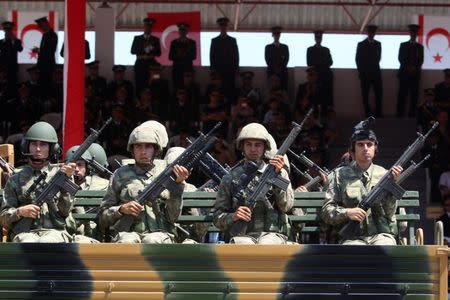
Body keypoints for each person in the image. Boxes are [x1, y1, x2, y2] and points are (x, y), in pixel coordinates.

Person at [99, 122, 189, 243]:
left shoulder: (168, 174)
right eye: (138, 146)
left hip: (161, 234)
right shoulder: (120, 174)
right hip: (128, 233)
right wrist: (121, 209)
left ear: (156, 150)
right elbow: (102, 217)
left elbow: (172, 217)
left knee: (151, 240)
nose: (143, 151)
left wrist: (177, 187)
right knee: (126, 241)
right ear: (132, 150)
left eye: (148, 146)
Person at [321, 118, 403, 245]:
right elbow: (327, 212)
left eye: (369, 144)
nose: (365, 148)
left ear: (375, 149)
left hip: (380, 235)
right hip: (352, 238)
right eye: (360, 144)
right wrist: (347, 213)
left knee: (384, 248)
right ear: (351, 151)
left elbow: (390, 212)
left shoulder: (386, 175)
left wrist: (392, 185)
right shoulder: (338, 176)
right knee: (355, 252)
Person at [213, 123, 294, 244]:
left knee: (266, 244)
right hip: (243, 236)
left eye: (258, 145)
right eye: (248, 144)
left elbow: (286, 206)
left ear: (264, 148)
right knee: (243, 245)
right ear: (242, 147)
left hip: (272, 235)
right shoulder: (230, 177)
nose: (253, 149)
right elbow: (217, 218)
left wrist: (278, 175)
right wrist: (234, 216)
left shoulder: (278, 172)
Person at [0, 121, 76, 242]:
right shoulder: (16, 177)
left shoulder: (62, 173)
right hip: (25, 233)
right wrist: (19, 212)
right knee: (27, 242)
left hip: (56, 232)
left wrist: (65, 181)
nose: (38, 149)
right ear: (27, 146)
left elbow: (65, 211)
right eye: (34, 144)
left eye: (43, 145)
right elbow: (3, 217)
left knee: (48, 242)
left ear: (52, 148)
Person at [396, 24, 424, 117]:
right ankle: (399, 116)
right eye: (412, 32)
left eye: (415, 32)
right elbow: (400, 58)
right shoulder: (403, 45)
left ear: (416, 34)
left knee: (414, 97)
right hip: (404, 74)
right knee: (402, 96)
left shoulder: (420, 47)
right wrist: (408, 67)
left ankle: (411, 117)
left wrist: (414, 68)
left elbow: (421, 60)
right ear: (410, 33)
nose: (413, 34)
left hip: (415, 75)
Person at [356, 25, 383, 117]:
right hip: (365, 74)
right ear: (367, 33)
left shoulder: (378, 44)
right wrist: (361, 72)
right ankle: (368, 114)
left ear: (375, 33)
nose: (371, 34)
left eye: (373, 32)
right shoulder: (361, 44)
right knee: (365, 95)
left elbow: (378, 58)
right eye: (370, 32)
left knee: (379, 94)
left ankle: (378, 114)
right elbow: (358, 60)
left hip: (376, 73)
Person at [210, 17, 239, 99]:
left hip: (230, 70)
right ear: (219, 27)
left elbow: (236, 55)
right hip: (218, 70)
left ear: (227, 27)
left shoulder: (232, 40)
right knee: (218, 91)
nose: (223, 27)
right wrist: (212, 69)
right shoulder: (214, 41)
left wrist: (236, 68)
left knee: (230, 91)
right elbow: (212, 55)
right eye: (221, 25)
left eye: (224, 25)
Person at [131, 17, 161, 96]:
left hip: (152, 65)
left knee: (155, 83)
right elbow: (132, 51)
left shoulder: (156, 39)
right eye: (147, 26)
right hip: (140, 64)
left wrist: (151, 49)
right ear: (144, 27)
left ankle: (154, 102)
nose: (148, 28)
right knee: (139, 84)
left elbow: (159, 53)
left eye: (150, 26)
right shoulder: (137, 38)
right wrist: (144, 49)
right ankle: (139, 104)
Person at [306, 30, 333, 111]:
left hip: (325, 76)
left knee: (326, 97)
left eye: (320, 37)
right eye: (317, 37)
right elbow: (309, 62)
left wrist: (318, 63)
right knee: (315, 98)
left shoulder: (326, 49)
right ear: (315, 38)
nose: (318, 39)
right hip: (315, 77)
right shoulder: (310, 49)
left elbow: (330, 62)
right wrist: (322, 63)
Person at [169, 22, 197, 88]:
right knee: (176, 88)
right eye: (181, 30)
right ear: (179, 31)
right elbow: (170, 57)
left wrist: (185, 55)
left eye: (184, 30)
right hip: (177, 70)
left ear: (187, 31)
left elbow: (194, 56)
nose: (182, 32)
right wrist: (178, 55)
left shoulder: (192, 43)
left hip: (188, 69)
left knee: (188, 89)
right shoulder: (174, 42)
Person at [34, 17, 58, 91]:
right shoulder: (45, 35)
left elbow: (50, 50)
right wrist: (39, 50)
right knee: (42, 85)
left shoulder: (52, 35)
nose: (41, 28)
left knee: (47, 86)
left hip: (48, 65)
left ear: (46, 24)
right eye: (40, 27)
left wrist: (39, 51)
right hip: (43, 65)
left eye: (41, 26)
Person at [0, 21, 23, 94]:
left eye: (9, 31)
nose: (8, 33)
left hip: (13, 68)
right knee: (3, 85)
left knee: (13, 85)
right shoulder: (1, 42)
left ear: (11, 31)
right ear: (4, 32)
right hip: (3, 68)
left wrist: (13, 40)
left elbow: (20, 49)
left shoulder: (17, 41)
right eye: (6, 31)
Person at [264, 26, 289, 90]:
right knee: (272, 91)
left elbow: (286, 60)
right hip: (271, 72)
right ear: (272, 35)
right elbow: (267, 60)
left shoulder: (285, 47)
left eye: (278, 34)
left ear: (280, 35)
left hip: (282, 72)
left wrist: (280, 68)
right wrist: (274, 69)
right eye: (275, 34)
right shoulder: (268, 47)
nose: (276, 35)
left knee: (283, 90)